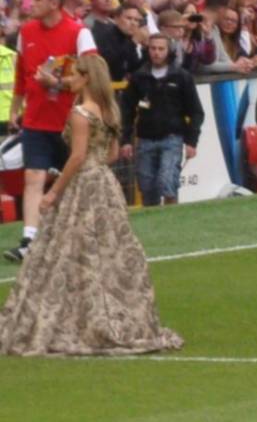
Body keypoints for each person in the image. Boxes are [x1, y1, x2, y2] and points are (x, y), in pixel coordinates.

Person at [0, 54, 183, 355]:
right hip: (105, 184)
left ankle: (76, 317)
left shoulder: (81, 113)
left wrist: (53, 192)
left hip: (83, 183)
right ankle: (114, 311)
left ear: (86, 78)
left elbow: (76, 156)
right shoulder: (110, 110)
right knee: (110, 250)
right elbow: (111, 155)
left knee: (70, 250)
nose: (69, 80)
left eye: (74, 75)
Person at [7, 0, 98, 262]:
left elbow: (93, 74)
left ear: (54, 4)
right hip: (36, 119)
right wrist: (15, 108)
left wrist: (57, 81)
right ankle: (29, 239)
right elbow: (22, 73)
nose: (29, 4)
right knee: (32, 176)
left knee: (75, 180)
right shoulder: (26, 32)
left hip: (70, 121)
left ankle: (84, 236)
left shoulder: (79, 32)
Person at [118, 34, 205, 207]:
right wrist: (126, 140)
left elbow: (196, 111)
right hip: (145, 139)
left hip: (172, 137)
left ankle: (173, 219)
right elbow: (126, 111)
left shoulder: (182, 76)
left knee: (167, 182)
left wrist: (191, 141)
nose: (156, 53)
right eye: (152, 48)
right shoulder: (139, 77)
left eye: (161, 49)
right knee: (147, 187)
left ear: (169, 51)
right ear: (147, 50)